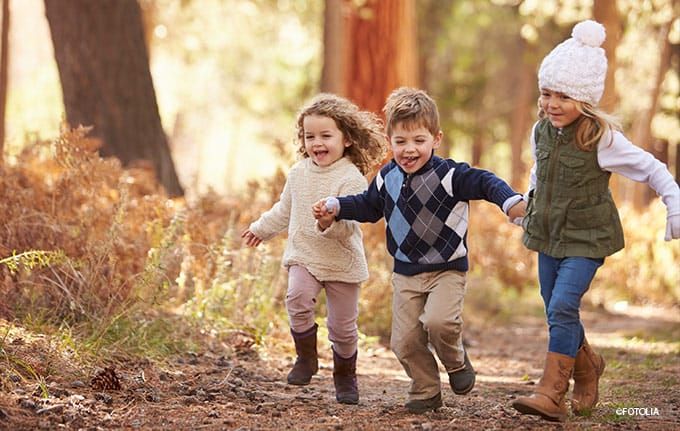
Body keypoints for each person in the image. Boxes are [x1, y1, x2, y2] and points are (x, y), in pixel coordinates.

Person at [313, 87, 526, 413]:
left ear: (436, 139)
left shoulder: (450, 176)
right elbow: (369, 207)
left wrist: (510, 201)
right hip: (406, 271)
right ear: (390, 141)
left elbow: (485, 182)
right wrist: (337, 206)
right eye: (400, 142)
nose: (409, 150)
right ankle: (426, 389)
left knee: (440, 323)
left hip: (447, 267)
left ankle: (455, 362)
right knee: (404, 340)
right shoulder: (387, 178)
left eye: (418, 141)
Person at [511, 20, 680, 422]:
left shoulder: (601, 137)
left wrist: (674, 207)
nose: (552, 104)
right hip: (549, 232)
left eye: (564, 96)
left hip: (587, 237)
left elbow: (653, 169)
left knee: (564, 304)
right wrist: (527, 206)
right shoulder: (542, 131)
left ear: (585, 100)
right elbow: (541, 173)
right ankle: (588, 366)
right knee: (554, 307)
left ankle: (552, 392)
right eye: (546, 93)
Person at [242, 93, 387, 404]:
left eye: (326, 136)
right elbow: (283, 210)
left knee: (343, 329)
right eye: (310, 136)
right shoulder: (299, 172)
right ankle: (306, 358)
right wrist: (260, 229)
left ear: (346, 138)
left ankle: (345, 376)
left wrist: (327, 222)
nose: (317, 143)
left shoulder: (351, 178)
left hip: (341, 261)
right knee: (296, 297)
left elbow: (349, 229)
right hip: (305, 254)